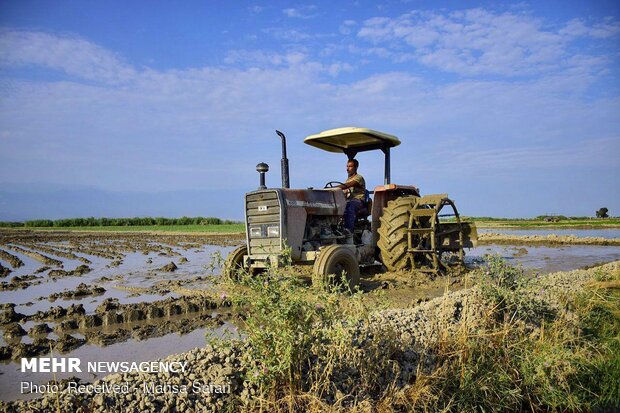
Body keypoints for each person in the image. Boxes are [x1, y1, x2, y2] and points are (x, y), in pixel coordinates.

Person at [338, 159, 366, 232]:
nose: (347, 169)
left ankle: (348, 231)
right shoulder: (348, 180)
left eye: (350, 166)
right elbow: (345, 191)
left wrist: (335, 187)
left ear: (356, 167)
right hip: (349, 200)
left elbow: (350, 184)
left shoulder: (358, 178)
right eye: (347, 166)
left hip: (359, 201)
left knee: (350, 205)